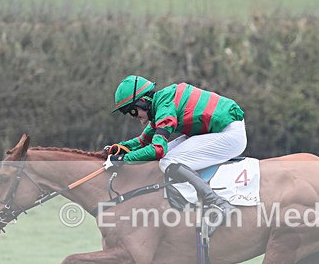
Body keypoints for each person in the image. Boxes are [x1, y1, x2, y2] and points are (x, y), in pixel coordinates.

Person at [106, 75, 247, 232]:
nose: (136, 118)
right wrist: (119, 148)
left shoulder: (165, 106)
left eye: (133, 112)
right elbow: (142, 141)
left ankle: (219, 204)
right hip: (216, 131)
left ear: (143, 101)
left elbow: (157, 150)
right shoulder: (162, 102)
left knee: (167, 161)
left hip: (229, 135)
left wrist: (123, 159)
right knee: (167, 159)